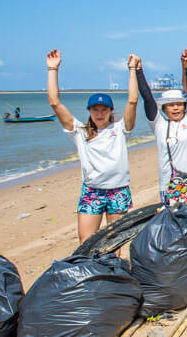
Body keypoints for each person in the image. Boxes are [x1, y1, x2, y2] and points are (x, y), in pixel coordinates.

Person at [46, 49, 137, 243]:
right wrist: (52, 70)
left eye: (104, 109)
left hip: (118, 191)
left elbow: (133, 100)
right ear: (89, 111)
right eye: (95, 109)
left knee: (114, 244)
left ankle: (113, 272)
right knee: (86, 242)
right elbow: (55, 103)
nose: (99, 113)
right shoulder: (80, 131)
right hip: (92, 191)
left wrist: (132, 70)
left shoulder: (121, 129)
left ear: (111, 111)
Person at [134, 49, 187, 210]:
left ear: (184, 105)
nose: (175, 108)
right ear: (164, 108)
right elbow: (147, 98)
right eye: (170, 105)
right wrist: (139, 71)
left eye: (179, 104)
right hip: (172, 184)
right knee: (176, 227)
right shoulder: (159, 124)